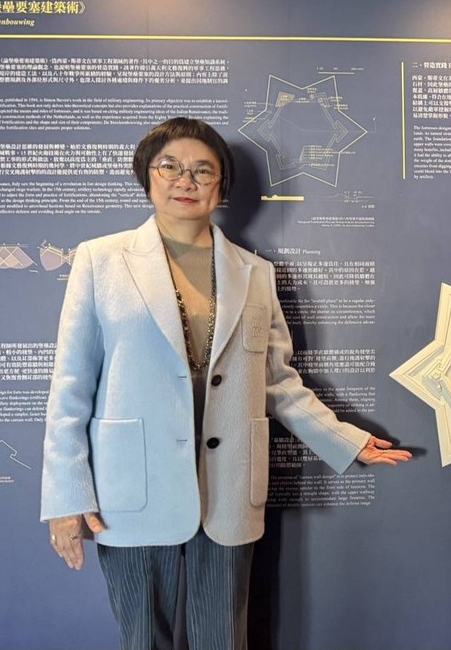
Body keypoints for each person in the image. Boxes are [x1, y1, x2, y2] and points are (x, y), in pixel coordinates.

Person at [40, 117, 411, 649]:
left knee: (223, 638)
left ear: (221, 186)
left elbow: (278, 382)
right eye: (170, 166)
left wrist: (346, 440)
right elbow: (70, 386)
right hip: (131, 485)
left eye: (202, 170)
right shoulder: (100, 260)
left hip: (228, 488)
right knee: (143, 637)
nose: (185, 180)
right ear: (147, 176)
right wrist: (66, 497)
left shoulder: (254, 273)